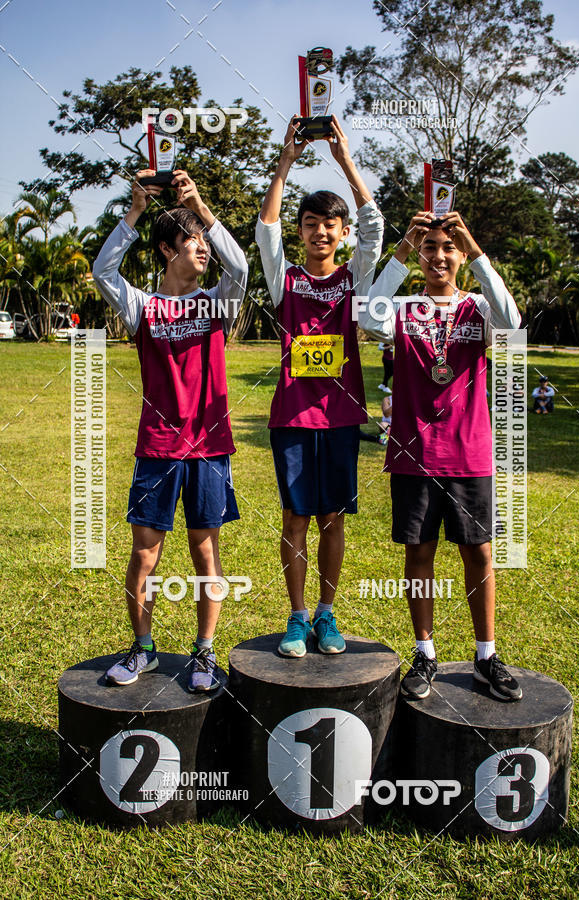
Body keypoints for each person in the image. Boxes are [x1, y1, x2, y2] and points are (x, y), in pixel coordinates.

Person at [93, 169, 248, 691]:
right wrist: (134, 211)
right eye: (192, 242)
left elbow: (243, 267)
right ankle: (143, 649)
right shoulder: (143, 306)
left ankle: (205, 653)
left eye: (205, 242)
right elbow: (103, 273)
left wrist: (202, 208)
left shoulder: (216, 303)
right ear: (166, 249)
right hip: (158, 448)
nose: (203, 250)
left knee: (206, 552)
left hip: (208, 448)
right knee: (145, 553)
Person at [359, 209, 523, 702]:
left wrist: (475, 250)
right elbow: (366, 315)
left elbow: (513, 322)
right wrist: (402, 248)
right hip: (414, 453)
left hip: (469, 452)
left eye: (446, 247)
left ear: (460, 254)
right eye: (429, 247)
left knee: (479, 552)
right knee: (420, 554)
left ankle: (485, 656)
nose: (438, 256)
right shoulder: (404, 309)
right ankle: (425, 653)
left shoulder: (478, 308)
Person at [256, 114, 384, 658]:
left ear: (341, 233)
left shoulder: (356, 278)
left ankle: (328, 616)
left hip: (338, 417)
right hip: (292, 416)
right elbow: (265, 230)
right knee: (295, 517)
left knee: (332, 517)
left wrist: (343, 156)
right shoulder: (284, 276)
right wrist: (286, 161)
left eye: (330, 224)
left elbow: (375, 223)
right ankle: (296, 616)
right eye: (310, 223)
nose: (320, 231)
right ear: (301, 230)